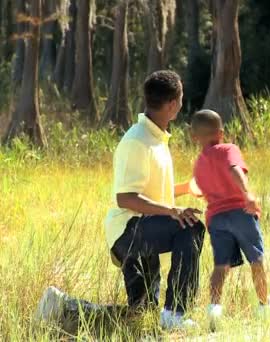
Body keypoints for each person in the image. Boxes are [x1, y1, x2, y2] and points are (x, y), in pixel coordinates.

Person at [35, 70, 205, 332]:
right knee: (192, 227)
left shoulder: (157, 139)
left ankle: (61, 308)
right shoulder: (137, 140)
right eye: (181, 99)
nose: (182, 104)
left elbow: (153, 192)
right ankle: (176, 313)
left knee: (141, 315)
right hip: (130, 231)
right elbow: (126, 197)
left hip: (144, 228)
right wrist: (174, 210)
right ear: (172, 105)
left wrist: (188, 188)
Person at [188, 109, 270, 331]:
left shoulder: (199, 163)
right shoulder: (228, 149)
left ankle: (214, 309)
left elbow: (199, 189)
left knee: (220, 266)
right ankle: (264, 307)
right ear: (221, 133)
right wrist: (247, 194)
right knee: (257, 260)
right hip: (240, 212)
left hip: (216, 219)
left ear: (194, 137)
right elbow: (234, 169)